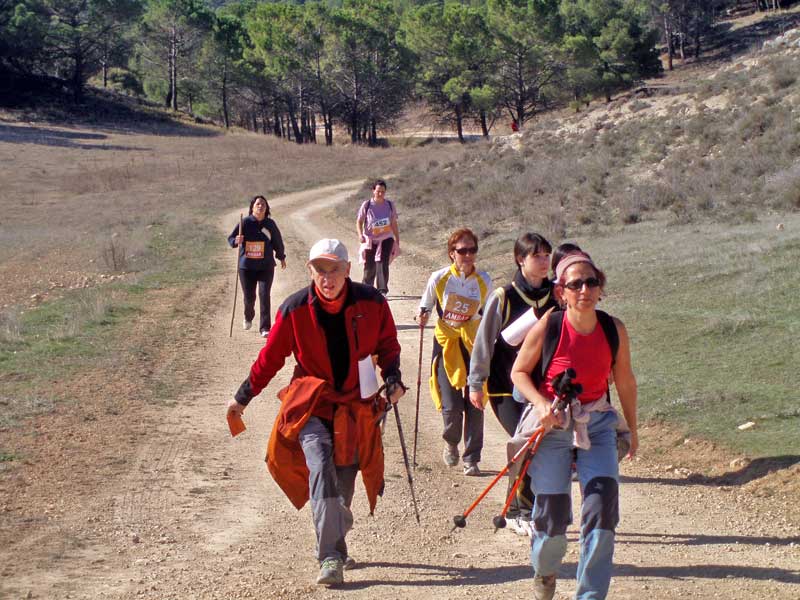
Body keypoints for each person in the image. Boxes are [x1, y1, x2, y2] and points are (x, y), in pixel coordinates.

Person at [227, 239, 405, 587]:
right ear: (310, 271)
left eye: (334, 269)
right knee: (320, 468)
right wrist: (242, 398)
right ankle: (331, 557)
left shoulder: (372, 302)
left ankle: (334, 530)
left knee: (344, 484)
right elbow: (269, 359)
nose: (327, 277)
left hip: (355, 406)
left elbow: (388, 346)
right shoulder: (294, 309)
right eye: (320, 269)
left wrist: (393, 377)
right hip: (312, 403)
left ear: (347, 270)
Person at [510, 253, 638, 600]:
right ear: (561, 292)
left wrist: (632, 429)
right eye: (575, 284)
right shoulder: (550, 326)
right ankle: (545, 569)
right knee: (551, 522)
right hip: (553, 426)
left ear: (600, 287)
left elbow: (625, 381)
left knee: (602, 509)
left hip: (598, 425)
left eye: (591, 282)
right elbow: (518, 372)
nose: (584, 290)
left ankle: (590, 595)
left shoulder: (613, 329)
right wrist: (540, 404)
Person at [467, 233, 558, 535]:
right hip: (504, 385)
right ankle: (520, 511)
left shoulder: (558, 295)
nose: (544, 261)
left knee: (534, 444)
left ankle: (516, 509)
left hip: (540, 389)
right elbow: (484, 342)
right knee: (527, 443)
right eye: (537, 256)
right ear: (520, 259)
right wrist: (476, 382)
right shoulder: (503, 297)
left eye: (546, 255)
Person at [417, 228, 491, 476]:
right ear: (452, 253)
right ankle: (451, 441)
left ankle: (472, 458)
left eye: (472, 250)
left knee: (475, 402)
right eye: (462, 251)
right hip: (446, 341)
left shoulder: (484, 280)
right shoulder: (438, 278)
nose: (468, 255)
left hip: (473, 343)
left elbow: (490, 312)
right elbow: (425, 305)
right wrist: (422, 315)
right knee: (450, 404)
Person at [228, 195, 287, 337]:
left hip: (265, 266)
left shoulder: (270, 224)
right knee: (249, 297)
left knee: (264, 295)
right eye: (258, 204)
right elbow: (231, 239)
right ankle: (248, 316)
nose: (260, 206)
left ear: (266, 208)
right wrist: (236, 241)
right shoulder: (245, 223)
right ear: (252, 207)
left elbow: (277, 241)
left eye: (263, 204)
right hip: (246, 267)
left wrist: (281, 257)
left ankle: (265, 328)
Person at [356, 179, 399, 295]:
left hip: (386, 238)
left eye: (383, 192)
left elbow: (393, 223)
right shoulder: (367, 205)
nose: (380, 194)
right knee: (370, 265)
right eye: (378, 191)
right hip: (370, 239)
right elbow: (359, 221)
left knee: (382, 263)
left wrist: (397, 239)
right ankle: (366, 289)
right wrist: (360, 235)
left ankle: (382, 291)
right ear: (373, 191)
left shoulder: (390, 205)